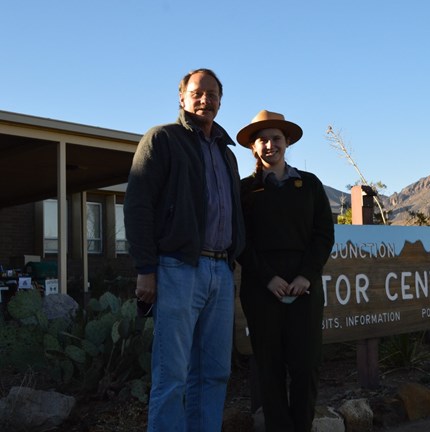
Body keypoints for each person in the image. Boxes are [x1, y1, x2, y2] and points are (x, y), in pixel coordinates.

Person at [123, 68, 245, 432]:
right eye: (197, 92)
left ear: (221, 101)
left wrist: (235, 257)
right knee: (172, 376)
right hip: (177, 269)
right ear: (182, 97)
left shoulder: (227, 154)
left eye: (212, 93)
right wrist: (146, 268)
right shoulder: (162, 139)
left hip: (221, 272)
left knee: (215, 373)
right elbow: (138, 205)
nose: (205, 99)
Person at [236, 110, 335, 431]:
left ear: (287, 142)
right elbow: (239, 241)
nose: (269, 145)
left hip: (305, 288)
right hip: (261, 290)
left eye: (276, 138)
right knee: (270, 368)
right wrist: (268, 278)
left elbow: (323, 234)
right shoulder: (244, 190)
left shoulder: (308, 184)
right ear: (253, 147)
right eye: (262, 139)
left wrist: (307, 274)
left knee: (306, 365)